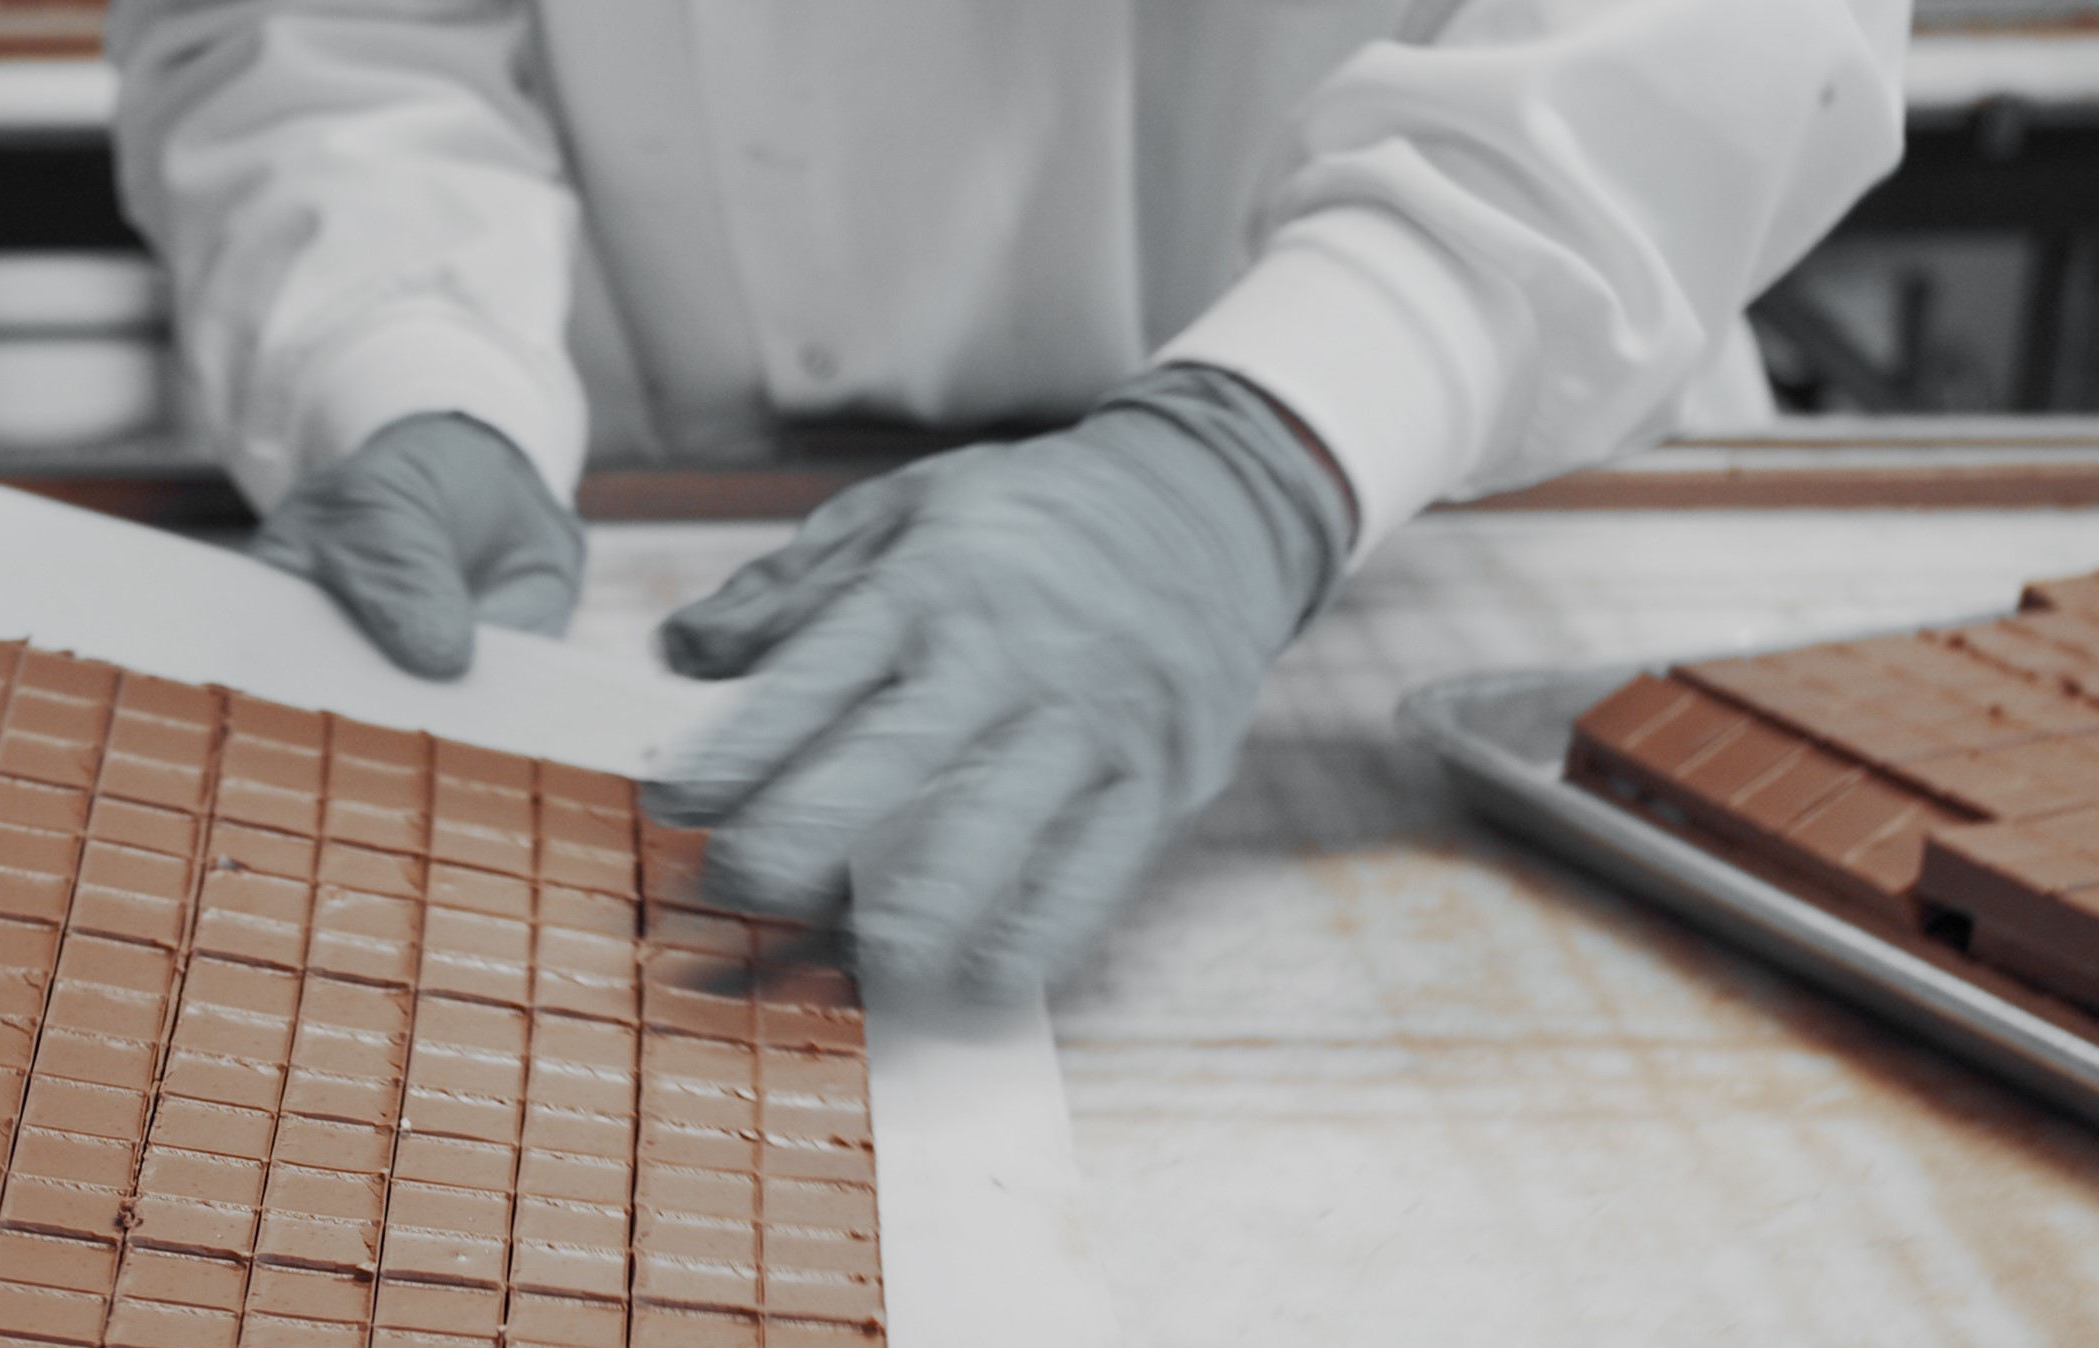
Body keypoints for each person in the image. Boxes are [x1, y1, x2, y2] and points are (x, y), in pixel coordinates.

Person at [110, 0, 1909, 997]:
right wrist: (408, 352)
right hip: (645, 495)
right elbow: (321, 29)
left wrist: (1269, 447)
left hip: (1475, 460)